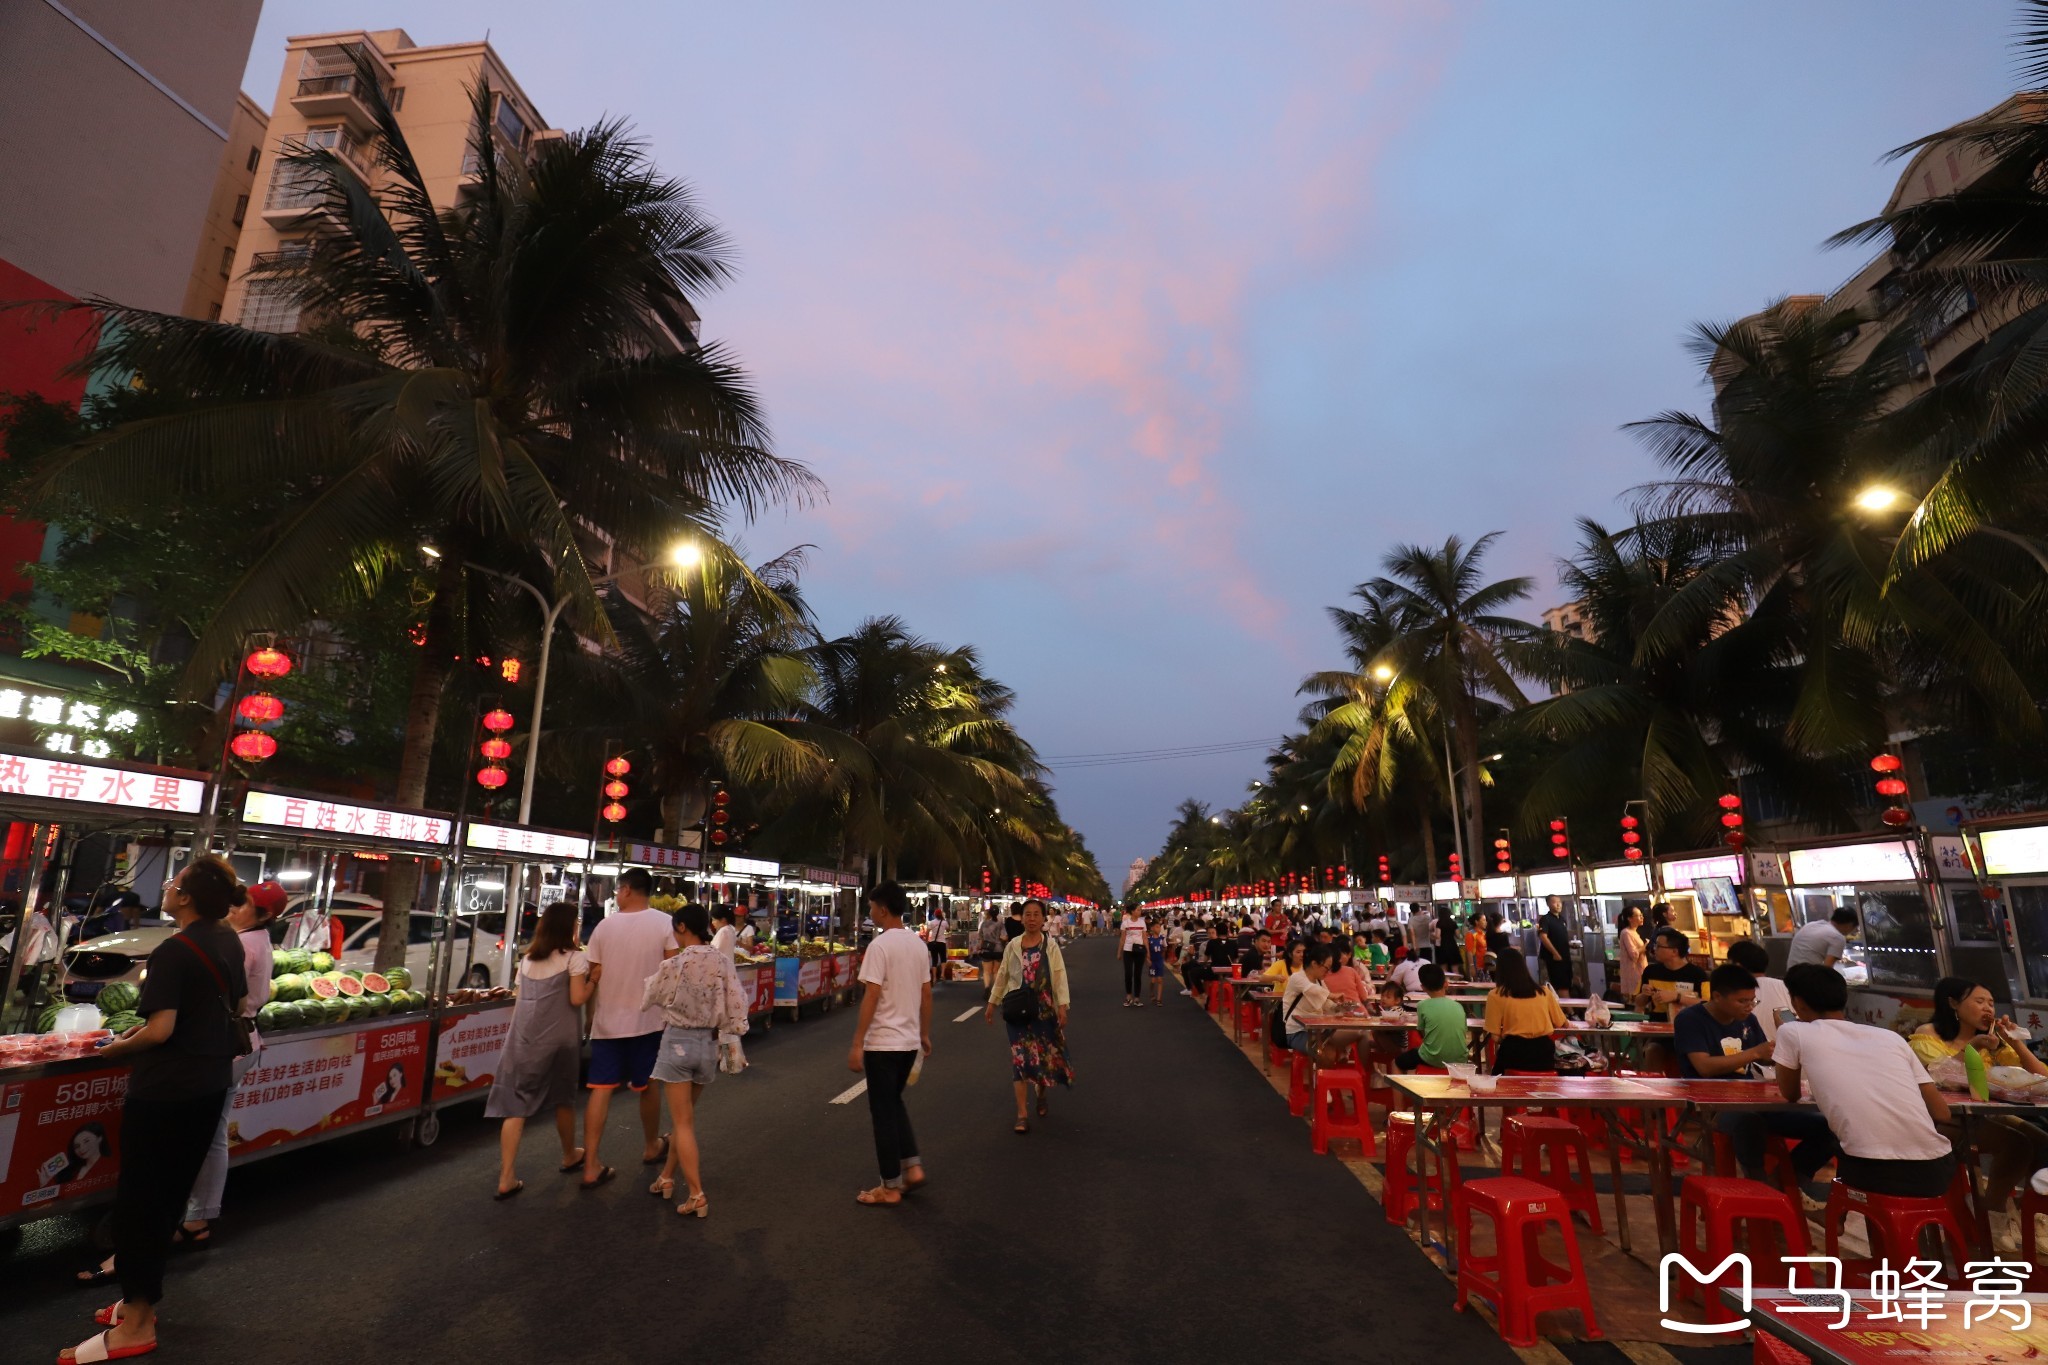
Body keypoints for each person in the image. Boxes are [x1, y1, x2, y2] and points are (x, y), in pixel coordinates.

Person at [64, 855, 250, 1364]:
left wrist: (112, 1049)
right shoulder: (227, 938)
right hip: (208, 1084)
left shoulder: (175, 949)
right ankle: (133, 1304)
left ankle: (138, 1324)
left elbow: (162, 1031)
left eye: (175, 881)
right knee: (165, 1201)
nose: (167, 886)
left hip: (166, 1091)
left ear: (186, 897)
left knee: (141, 1207)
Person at [1776, 963, 1953, 1198]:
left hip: (1873, 1171)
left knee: (1830, 1140)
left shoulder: (1793, 1031)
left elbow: (1790, 1094)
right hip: (1938, 1170)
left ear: (1797, 1002)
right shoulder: (1891, 1038)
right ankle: (1835, 1211)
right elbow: (1942, 1113)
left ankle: (1824, 1210)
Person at [172, 878, 284, 1246]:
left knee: (210, 1133)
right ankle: (196, 1211)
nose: (235, 907)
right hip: (245, 1041)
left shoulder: (242, 944)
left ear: (263, 914)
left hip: (229, 1044)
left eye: (245, 902)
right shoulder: (256, 939)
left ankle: (198, 1217)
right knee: (211, 1129)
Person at [1677, 962, 1839, 1196]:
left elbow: (1764, 1058)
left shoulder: (1747, 1020)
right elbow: (1703, 1067)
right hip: (1711, 1105)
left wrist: (1785, 1049)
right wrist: (1755, 1052)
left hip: (1754, 1099)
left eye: (1753, 1000)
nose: (1749, 1006)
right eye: (1742, 1001)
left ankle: (1788, 1181)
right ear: (1717, 996)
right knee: (1748, 1123)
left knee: (1830, 1126)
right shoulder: (1690, 1019)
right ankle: (1759, 1186)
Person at [1909, 976, 2048, 1243]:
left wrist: (2015, 1041)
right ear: (1953, 1004)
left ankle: (2029, 1215)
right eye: (1980, 1001)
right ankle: (1992, 1217)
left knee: (2042, 1142)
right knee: (2018, 1144)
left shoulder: (1990, 1040)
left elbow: (2041, 1076)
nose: (1988, 1009)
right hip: (1941, 1120)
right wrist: (1972, 1048)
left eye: (1992, 1003)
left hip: (1979, 1116)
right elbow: (1937, 1077)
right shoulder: (1927, 1035)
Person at [643, 903, 751, 1218]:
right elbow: (738, 1003)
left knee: (682, 1123)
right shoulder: (722, 962)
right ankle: (666, 1178)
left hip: (678, 1041)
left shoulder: (676, 963)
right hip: (708, 1045)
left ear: (680, 928)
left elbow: (649, 996)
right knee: (685, 1121)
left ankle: (696, 1195)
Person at [484, 901, 592, 1200]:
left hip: (523, 1041)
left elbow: (522, 1000)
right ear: (569, 927)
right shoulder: (574, 959)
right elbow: (577, 998)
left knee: (515, 1107)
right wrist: (595, 978)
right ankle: (570, 1154)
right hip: (560, 1042)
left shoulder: (528, 959)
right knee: (563, 1099)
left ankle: (506, 1176)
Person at [580, 867, 677, 1190]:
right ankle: (651, 1146)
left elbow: (594, 974)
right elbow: (672, 971)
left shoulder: (604, 928)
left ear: (626, 890)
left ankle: (591, 1165)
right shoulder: (665, 924)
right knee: (647, 1086)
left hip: (608, 1023)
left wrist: (591, 1018)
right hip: (648, 1021)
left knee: (601, 1089)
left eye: (618, 890)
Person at [850, 883, 932, 1206]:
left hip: (883, 1043)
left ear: (882, 909)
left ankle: (890, 1186)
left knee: (882, 1112)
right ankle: (912, 1167)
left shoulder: (880, 946)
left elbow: (871, 994)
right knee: (893, 1103)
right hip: (909, 1042)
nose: (870, 913)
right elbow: (926, 994)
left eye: (871, 908)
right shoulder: (918, 945)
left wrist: (858, 1041)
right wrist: (924, 1034)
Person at [983, 899, 1073, 1133]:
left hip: (1043, 1010)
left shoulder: (1050, 946)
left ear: (1044, 919)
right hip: (1017, 1012)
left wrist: (1062, 1006)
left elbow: (1059, 976)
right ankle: (1022, 1113)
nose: (1032, 918)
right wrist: (992, 1001)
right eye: (1028, 914)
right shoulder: (1013, 945)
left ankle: (1041, 1094)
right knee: (1020, 1060)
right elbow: (1002, 974)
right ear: (1022, 918)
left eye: (1036, 915)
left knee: (1041, 1060)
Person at [1483, 951, 1565, 1073]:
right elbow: (1560, 1022)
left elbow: (1494, 1036)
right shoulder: (1544, 992)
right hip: (1544, 1053)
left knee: (1495, 1083)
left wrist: (1506, 1039)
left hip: (1513, 1052)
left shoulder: (1495, 995)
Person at [1280, 944, 1363, 1065]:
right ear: (1314, 964)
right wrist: (1331, 995)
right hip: (1298, 1032)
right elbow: (1311, 989)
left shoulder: (1319, 981)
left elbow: (1328, 1005)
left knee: (1359, 1034)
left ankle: (1360, 1075)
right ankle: (1321, 1081)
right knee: (1325, 1053)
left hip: (1318, 1030)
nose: (1328, 972)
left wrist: (1342, 1007)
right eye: (1326, 968)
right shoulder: (1296, 978)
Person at [1397, 964, 1472, 1072]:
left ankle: (1405, 1089)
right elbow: (1463, 1032)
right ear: (1446, 984)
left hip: (1432, 1058)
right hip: (1460, 1058)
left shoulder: (1423, 1005)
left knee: (1396, 1063)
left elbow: (1423, 1033)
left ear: (1422, 987)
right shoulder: (1458, 1006)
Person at [1724, 939, 1791, 1043]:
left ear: (1737, 966)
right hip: (1785, 1051)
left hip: (1752, 1053)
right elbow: (1791, 1022)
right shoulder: (1785, 986)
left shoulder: (1735, 991)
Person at [1637, 927, 1709, 1014]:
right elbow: (1639, 1003)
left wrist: (1677, 997)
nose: (1654, 949)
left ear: (1674, 951)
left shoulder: (1698, 974)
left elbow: (1707, 1005)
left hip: (1688, 1023)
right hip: (1656, 1023)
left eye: (1658, 946)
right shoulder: (1650, 971)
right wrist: (1645, 994)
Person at [1786, 906, 1859, 970]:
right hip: (1808, 979)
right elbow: (1827, 969)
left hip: (1791, 975)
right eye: (1854, 928)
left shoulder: (1811, 925)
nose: (1852, 932)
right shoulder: (1838, 937)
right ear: (1850, 925)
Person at [1536, 898, 1573, 995]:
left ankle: (1567, 1008)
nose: (1558, 905)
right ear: (1548, 904)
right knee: (1560, 985)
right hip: (1553, 959)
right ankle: (1570, 1010)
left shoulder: (1562, 919)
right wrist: (1555, 953)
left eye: (1560, 902)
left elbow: (1559, 938)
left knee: (1567, 983)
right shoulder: (1545, 919)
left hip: (1564, 957)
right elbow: (1543, 937)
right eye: (1555, 902)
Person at [1615, 905, 1648, 1001]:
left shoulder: (1634, 932)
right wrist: (1645, 946)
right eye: (1638, 915)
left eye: (1642, 915)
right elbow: (1633, 954)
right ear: (1629, 919)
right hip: (1633, 974)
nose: (1642, 917)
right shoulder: (1626, 933)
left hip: (1640, 971)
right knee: (1637, 1002)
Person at [1118, 905, 1148, 1007]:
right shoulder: (1125, 923)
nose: (1140, 911)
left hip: (1139, 950)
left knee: (1138, 974)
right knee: (1128, 973)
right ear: (1132, 911)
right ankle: (1129, 996)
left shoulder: (1142, 922)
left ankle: (1137, 998)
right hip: (1128, 950)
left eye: (1140, 910)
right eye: (1138, 910)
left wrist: (1148, 952)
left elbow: (1145, 938)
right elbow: (1122, 938)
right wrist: (1119, 952)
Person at [1324, 939, 1368, 1004]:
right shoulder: (1350, 970)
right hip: (1358, 1011)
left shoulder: (1320, 975)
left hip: (1335, 1012)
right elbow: (1364, 997)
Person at [975, 908, 1004, 991]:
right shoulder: (1000, 924)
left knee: (986, 971)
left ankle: (987, 987)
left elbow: (980, 937)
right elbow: (1004, 936)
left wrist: (979, 947)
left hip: (986, 949)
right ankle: (995, 990)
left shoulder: (984, 924)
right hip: (998, 950)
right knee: (996, 971)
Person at [1146, 918, 1167, 1006]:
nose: (1158, 929)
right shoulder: (1149, 939)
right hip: (1152, 961)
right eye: (1157, 927)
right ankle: (1151, 992)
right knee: (1153, 980)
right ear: (1152, 928)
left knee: (1159, 980)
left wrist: (1163, 957)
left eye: (1159, 927)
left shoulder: (1162, 938)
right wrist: (1147, 959)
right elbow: (1146, 950)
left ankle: (1159, 999)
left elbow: (1165, 948)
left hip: (1159, 961)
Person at [1463, 914, 1489, 981]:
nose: (1485, 922)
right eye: (1483, 920)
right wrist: (1472, 966)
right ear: (1476, 922)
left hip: (1486, 965)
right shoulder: (1471, 934)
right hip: (1477, 966)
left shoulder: (1484, 934)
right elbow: (1469, 951)